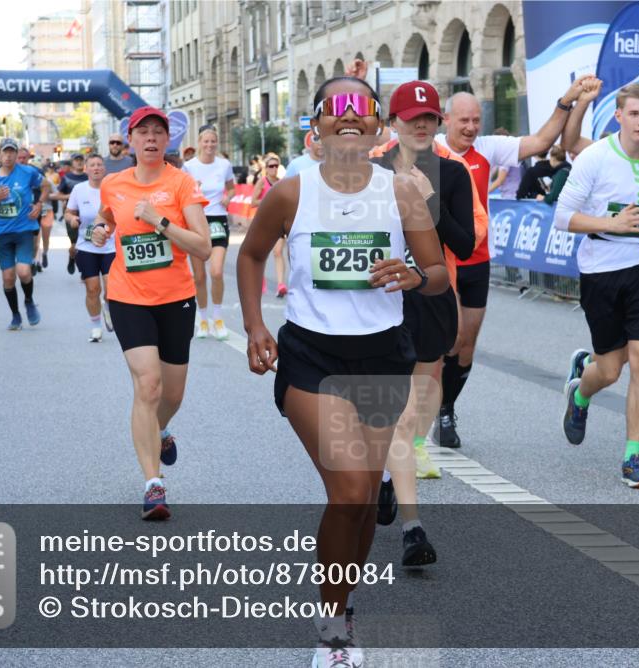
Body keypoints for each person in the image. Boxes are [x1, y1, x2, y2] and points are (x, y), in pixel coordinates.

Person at [237, 75, 448, 668]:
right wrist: (256, 325)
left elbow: (437, 273)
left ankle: (343, 603)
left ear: (379, 128)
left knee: (359, 507)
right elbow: (251, 254)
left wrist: (413, 276)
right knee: (352, 489)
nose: (349, 117)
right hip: (311, 357)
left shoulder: (403, 192)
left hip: (383, 354)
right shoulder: (289, 193)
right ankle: (333, 632)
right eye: (337, 109)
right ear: (317, 130)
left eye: (361, 109)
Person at [432, 76, 597, 448]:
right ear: (446, 119)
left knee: (467, 345)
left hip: (476, 258)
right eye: (464, 121)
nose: (472, 128)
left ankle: (446, 407)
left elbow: (541, 142)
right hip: (439, 260)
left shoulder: (488, 148)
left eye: (476, 120)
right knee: (451, 336)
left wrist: (567, 100)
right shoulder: (432, 147)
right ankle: (431, 410)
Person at [555, 83, 639, 489]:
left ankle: (632, 457)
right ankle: (581, 391)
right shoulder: (595, 158)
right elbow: (563, 217)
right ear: (619, 116)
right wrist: (612, 223)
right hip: (602, 268)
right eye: (636, 114)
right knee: (610, 370)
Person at [368, 80, 476, 567]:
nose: (420, 125)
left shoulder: (453, 174)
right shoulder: (370, 171)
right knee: (403, 415)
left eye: (428, 118)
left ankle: (390, 479)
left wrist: (429, 203)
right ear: (393, 124)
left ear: (438, 124)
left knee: (412, 412)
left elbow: (466, 245)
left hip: (430, 297)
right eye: (410, 118)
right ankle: (414, 529)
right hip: (382, 301)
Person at [89, 106, 211, 520]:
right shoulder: (113, 184)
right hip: (128, 296)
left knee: (172, 395)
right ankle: (153, 484)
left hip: (176, 298)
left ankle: (160, 430)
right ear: (131, 140)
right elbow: (105, 220)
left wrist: (160, 222)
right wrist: (98, 231)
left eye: (159, 132)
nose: (152, 138)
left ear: (167, 140)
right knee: (149, 386)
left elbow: (203, 246)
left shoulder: (181, 183)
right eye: (144, 133)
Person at [0, 138, 49, 330]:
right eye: (5, 152)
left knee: (24, 272)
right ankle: (15, 315)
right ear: (0, 154)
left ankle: (29, 300)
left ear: (16, 154)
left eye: (12, 152)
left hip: (24, 230)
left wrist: (39, 204)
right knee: (8, 278)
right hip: (2, 233)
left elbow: (46, 186)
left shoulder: (28, 172)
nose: (9, 155)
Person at [184, 126, 236, 339]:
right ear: (199, 142)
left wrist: (228, 197)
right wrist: (193, 189)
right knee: (199, 277)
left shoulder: (224, 164)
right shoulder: (189, 167)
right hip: (197, 221)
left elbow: (231, 188)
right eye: (206, 141)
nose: (210, 145)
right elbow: (182, 193)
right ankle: (203, 320)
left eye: (213, 141)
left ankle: (218, 317)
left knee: (216, 271)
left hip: (218, 220)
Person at [66, 154, 115, 342]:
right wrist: (72, 219)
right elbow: (69, 212)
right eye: (92, 165)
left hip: (111, 247)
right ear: (86, 169)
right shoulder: (79, 189)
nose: (96, 168)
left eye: (99, 165)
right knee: (93, 289)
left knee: (112, 290)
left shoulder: (111, 189)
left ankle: (109, 308)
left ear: (104, 169)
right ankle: (95, 327)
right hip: (87, 247)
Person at [251, 152, 286, 297]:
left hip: (280, 222)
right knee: (262, 254)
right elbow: (253, 202)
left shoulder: (282, 182)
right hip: (265, 222)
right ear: (266, 168)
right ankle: (261, 281)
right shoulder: (262, 182)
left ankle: (281, 285)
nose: (274, 169)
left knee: (278, 252)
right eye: (271, 166)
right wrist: (268, 199)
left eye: (276, 166)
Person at [51, 153, 88, 273]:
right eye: (76, 160)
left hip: (87, 213)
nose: (79, 162)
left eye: (81, 160)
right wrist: (71, 196)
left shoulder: (88, 177)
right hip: (71, 213)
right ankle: (72, 259)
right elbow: (57, 195)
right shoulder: (67, 178)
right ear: (72, 163)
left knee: (87, 242)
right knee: (74, 244)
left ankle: (85, 271)